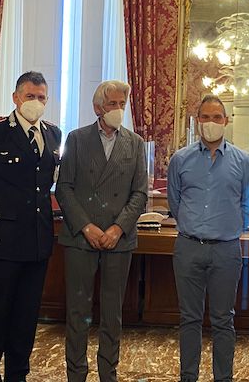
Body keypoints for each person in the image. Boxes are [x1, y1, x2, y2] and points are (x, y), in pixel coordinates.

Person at [0, 71, 62, 382]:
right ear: (15, 98)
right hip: (1, 241)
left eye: (41, 97)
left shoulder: (53, 133)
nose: (36, 102)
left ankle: (17, 375)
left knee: (26, 317)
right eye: (29, 96)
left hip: (37, 241)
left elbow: (45, 184)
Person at [55, 80, 147, 382]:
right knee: (77, 312)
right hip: (81, 238)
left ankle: (109, 373)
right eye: (112, 104)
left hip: (118, 240)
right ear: (98, 108)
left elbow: (140, 193)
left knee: (112, 313)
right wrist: (86, 226)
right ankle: (76, 374)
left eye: (122, 104)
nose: (118, 109)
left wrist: (118, 228)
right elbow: (64, 188)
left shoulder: (135, 143)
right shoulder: (77, 138)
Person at [167, 94, 249, 382]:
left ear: (226, 121)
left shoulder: (243, 162)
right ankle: (188, 376)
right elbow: (175, 202)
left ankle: (223, 377)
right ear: (197, 121)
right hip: (189, 247)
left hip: (226, 250)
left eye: (217, 117)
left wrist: (229, 227)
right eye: (205, 117)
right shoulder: (180, 159)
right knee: (189, 318)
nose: (211, 122)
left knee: (223, 319)